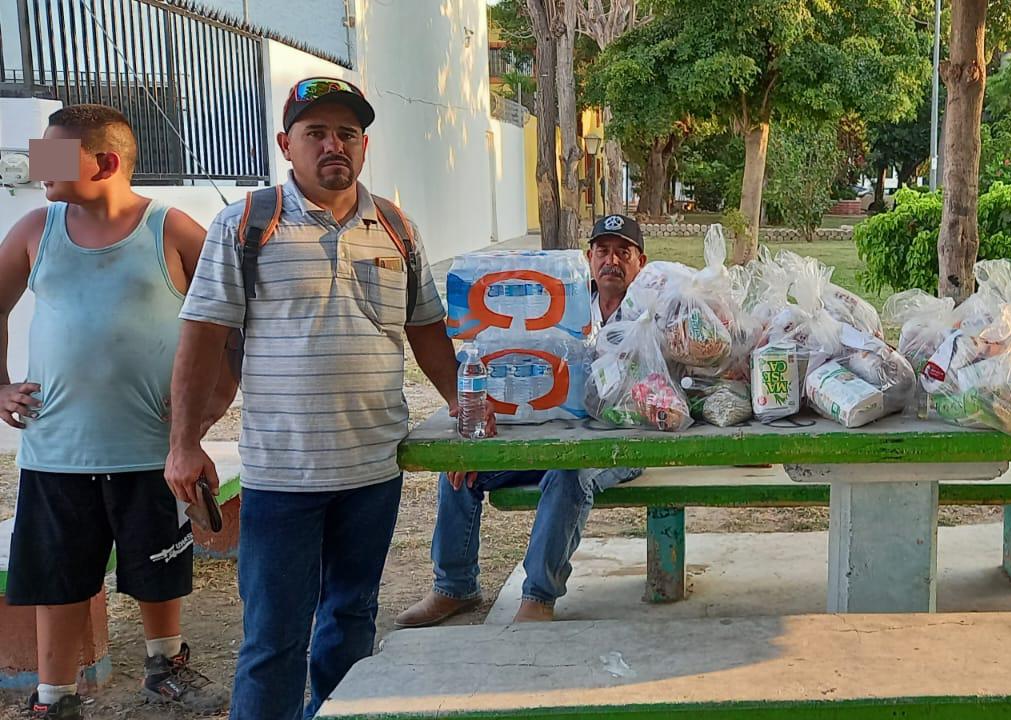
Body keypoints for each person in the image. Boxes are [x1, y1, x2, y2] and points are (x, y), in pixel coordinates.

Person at [163, 77, 460, 720]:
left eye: (347, 133)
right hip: (281, 478)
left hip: (372, 472)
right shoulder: (245, 224)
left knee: (352, 618)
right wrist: (184, 444)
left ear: (364, 145)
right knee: (274, 638)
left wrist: (462, 411)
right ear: (285, 145)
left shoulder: (397, 226)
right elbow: (203, 337)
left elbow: (428, 332)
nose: (334, 145)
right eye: (316, 133)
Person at [0, 105, 234, 719]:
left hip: (151, 450)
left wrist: (209, 409)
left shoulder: (173, 230)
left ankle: (165, 665)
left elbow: (229, 324)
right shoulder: (34, 231)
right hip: (57, 450)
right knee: (58, 576)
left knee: (159, 565)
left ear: (104, 162)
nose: (37, 167)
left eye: (52, 155)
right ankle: (55, 695)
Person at [394, 214, 648, 628]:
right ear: (588, 258)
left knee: (571, 472)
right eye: (603, 251)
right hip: (550, 433)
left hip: (619, 441)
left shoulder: (649, 316)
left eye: (624, 252)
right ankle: (453, 586)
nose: (612, 261)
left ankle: (539, 597)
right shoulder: (560, 310)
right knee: (462, 467)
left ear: (641, 262)